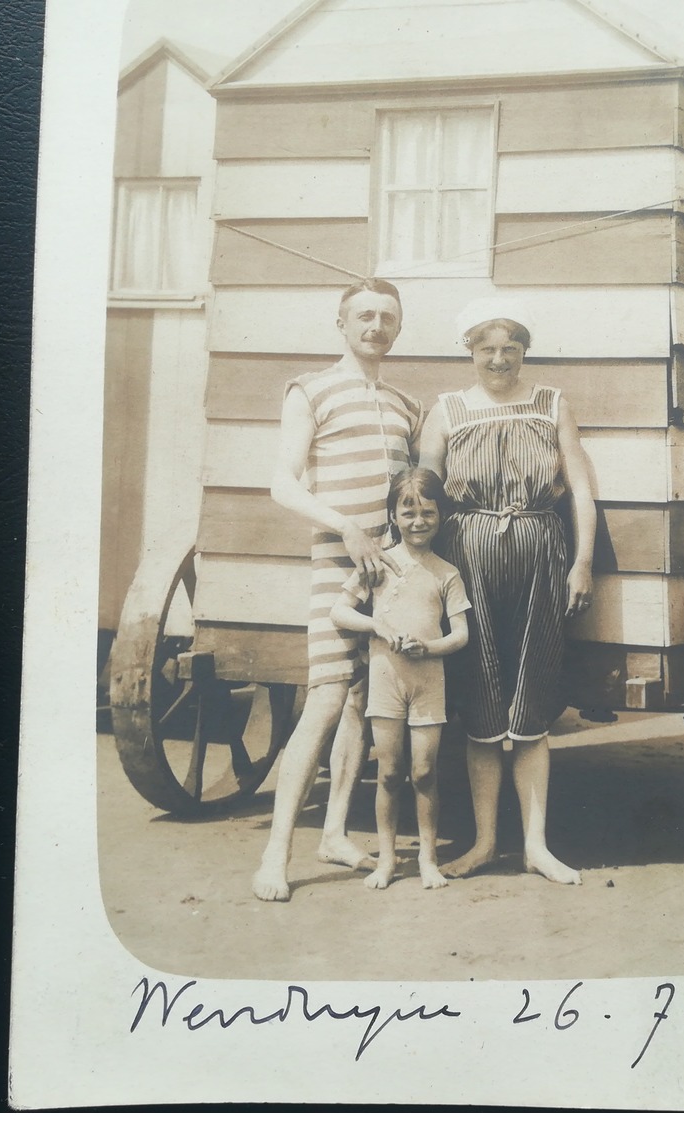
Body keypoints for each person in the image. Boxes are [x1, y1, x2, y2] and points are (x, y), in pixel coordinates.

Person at [251, 278, 422, 903]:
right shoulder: (311, 390)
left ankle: (334, 833)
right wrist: (345, 526)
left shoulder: (406, 404)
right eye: (365, 316)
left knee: (363, 702)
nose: (376, 326)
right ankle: (275, 856)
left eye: (387, 317)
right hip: (337, 565)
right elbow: (281, 484)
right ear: (343, 324)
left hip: (393, 574)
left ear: (397, 329)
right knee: (326, 699)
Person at [419, 297, 595, 885]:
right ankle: (486, 843)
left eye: (510, 350)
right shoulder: (446, 410)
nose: (499, 360)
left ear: (524, 353)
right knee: (481, 698)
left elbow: (580, 489)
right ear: (470, 352)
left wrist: (583, 562)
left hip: (542, 554)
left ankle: (536, 847)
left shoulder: (551, 404)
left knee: (533, 694)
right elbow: (426, 500)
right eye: (487, 349)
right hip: (468, 559)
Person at [331, 468, 471, 890]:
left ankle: (427, 859)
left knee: (424, 771)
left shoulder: (446, 572)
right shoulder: (378, 563)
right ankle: (387, 860)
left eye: (427, 513)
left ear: (440, 516)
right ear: (393, 515)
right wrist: (377, 626)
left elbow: (462, 634)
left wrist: (429, 648)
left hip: (429, 682)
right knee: (389, 772)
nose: (417, 522)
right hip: (386, 681)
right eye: (407, 513)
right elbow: (340, 611)